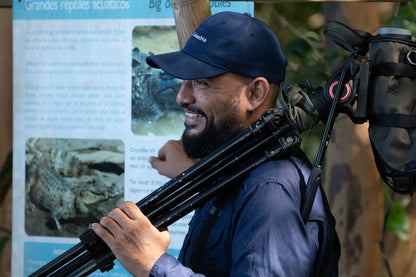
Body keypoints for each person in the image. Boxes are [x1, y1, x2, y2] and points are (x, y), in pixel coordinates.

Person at [92, 11, 339, 277]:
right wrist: (191, 171)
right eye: (184, 81)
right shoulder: (238, 170)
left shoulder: (269, 186)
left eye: (202, 82)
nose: (181, 97)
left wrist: (154, 264)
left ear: (256, 93)